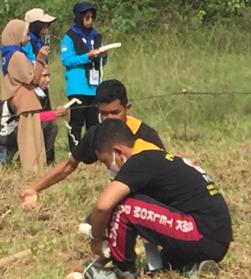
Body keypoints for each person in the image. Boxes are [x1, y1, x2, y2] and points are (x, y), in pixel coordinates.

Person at [85, 119, 232, 277]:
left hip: (200, 232)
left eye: (105, 161)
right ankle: (193, 267)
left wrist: (97, 239)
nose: (107, 167)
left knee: (124, 206)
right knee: (164, 263)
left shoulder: (138, 162)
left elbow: (103, 206)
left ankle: (122, 272)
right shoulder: (155, 159)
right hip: (214, 239)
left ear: (118, 152)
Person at [20, 79, 163, 210]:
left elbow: (165, 175)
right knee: (92, 223)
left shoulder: (145, 135)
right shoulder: (97, 134)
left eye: (115, 112)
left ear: (127, 108)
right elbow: (69, 164)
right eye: (104, 113)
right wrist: (35, 189)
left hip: (153, 200)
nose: (109, 119)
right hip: (123, 199)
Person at [61, 2, 106, 154]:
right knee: (77, 120)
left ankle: (93, 151)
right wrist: (87, 56)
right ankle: (75, 151)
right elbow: (67, 60)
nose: (90, 20)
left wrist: (103, 57)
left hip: (94, 86)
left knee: (93, 121)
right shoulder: (69, 37)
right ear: (79, 18)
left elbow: (102, 64)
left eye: (92, 17)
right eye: (86, 17)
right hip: (77, 85)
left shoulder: (96, 36)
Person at [2, 19, 45, 172]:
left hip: (22, 101)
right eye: (25, 33)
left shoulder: (6, 55)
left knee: (31, 136)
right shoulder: (17, 56)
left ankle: (35, 167)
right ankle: (33, 168)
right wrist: (40, 59)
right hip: (26, 102)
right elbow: (32, 78)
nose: (27, 37)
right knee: (31, 138)